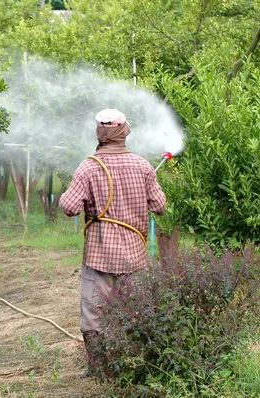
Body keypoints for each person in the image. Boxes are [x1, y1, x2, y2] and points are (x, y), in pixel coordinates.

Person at [59, 109, 166, 377]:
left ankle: (98, 368)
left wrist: (67, 194)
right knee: (140, 310)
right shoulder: (143, 166)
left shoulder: (88, 167)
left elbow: (70, 208)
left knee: (94, 314)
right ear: (124, 132)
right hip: (134, 256)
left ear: (100, 133)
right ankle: (144, 365)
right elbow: (160, 206)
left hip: (99, 256)